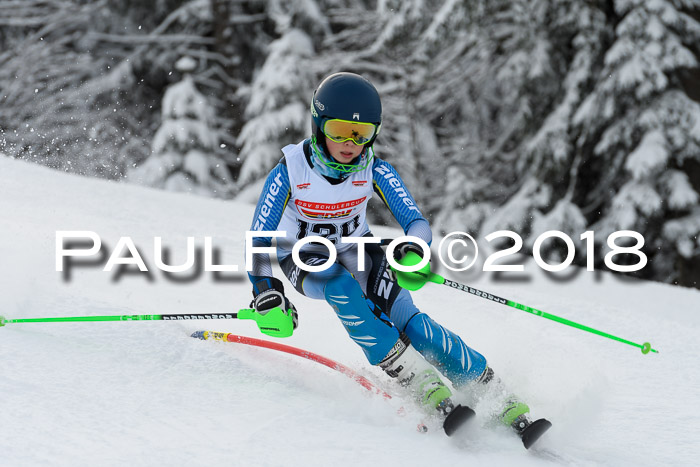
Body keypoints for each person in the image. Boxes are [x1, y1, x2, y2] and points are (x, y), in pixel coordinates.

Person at [246, 72, 548, 443]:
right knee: (341, 287)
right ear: (318, 124)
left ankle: (495, 393)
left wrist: (413, 248)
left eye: (362, 133)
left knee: (413, 324)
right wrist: (264, 289)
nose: (350, 143)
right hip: (303, 256)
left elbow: (416, 221)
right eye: (339, 130)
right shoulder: (289, 172)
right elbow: (258, 238)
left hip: (358, 249)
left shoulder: (375, 170)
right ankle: (418, 381)